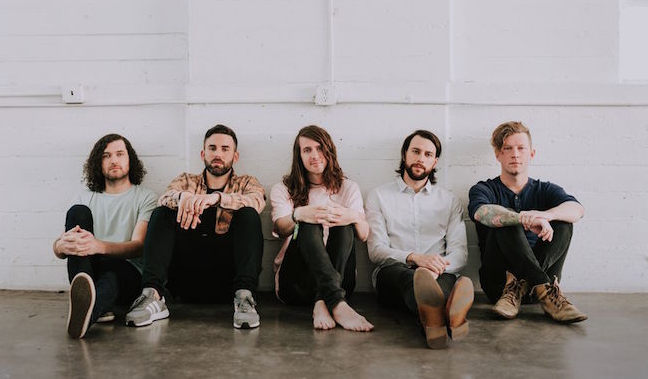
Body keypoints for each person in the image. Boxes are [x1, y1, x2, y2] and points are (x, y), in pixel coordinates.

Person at [126, 124, 265, 329]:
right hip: (184, 278)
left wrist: (217, 198)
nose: (217, 154)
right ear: (203, 154)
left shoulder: (246, 183)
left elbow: (256, 201)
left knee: (249, 214)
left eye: (225, 149)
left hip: (228, 280)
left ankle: (245, 298)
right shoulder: (186, 180)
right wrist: (183, 197)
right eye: (212, 148)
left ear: (235, 157)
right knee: (162, 212)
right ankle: (152, 296)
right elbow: (165, 197)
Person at [468, 121, 587, 323]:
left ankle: (529, 285)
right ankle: (535, 285)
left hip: (538, 292)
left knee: (564, 223)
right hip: (499, 289)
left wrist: (545, 216)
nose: (515, 154)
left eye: (521, 148)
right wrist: (521, 218)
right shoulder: (484, 189)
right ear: (498, 154)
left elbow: (577, 210)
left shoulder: (545, 189)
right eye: (508, 148)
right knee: (503, 219)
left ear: (531, 153)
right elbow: (481, 213)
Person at [366, 129, 473, 349]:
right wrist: (416, 259)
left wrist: (434, 270)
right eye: (415, 151)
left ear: (434, 162)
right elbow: (376, 251)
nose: (420, 158)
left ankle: (434, 322)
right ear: (404, 154)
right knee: (409, 279)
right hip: (393, 274)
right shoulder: (379, 196)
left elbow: (460, 253)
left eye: (427, 154)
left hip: (440, 273)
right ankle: (450, 314)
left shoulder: (448, 201)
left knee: (440, 284)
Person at [53, 134, 158, 339]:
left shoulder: (145, 197)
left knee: (112, 274)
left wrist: (98, 246)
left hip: (127, 274)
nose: (113, 160)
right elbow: (64, 244)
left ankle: (88, 310)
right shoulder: (84, 197)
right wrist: (59, 247)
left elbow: (138, 246)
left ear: (130, 159)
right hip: (89, 269)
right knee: (78, 211)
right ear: (98, 163)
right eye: (106, 156)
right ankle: (91, 302)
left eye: (120, 154)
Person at [270, 125, 374, 332]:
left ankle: (322, 302)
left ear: (329, 151)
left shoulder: (348, 187)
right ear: (299, 156)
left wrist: (352, 216)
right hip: (297, 283)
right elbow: (281, 228)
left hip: (340, 279)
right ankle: (336, 303)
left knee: (344, 224)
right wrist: (300, 214)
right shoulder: (283, 188)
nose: (315, 155)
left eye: (320, 148)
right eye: (307, 150)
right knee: (308, 220)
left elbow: (363, 235)